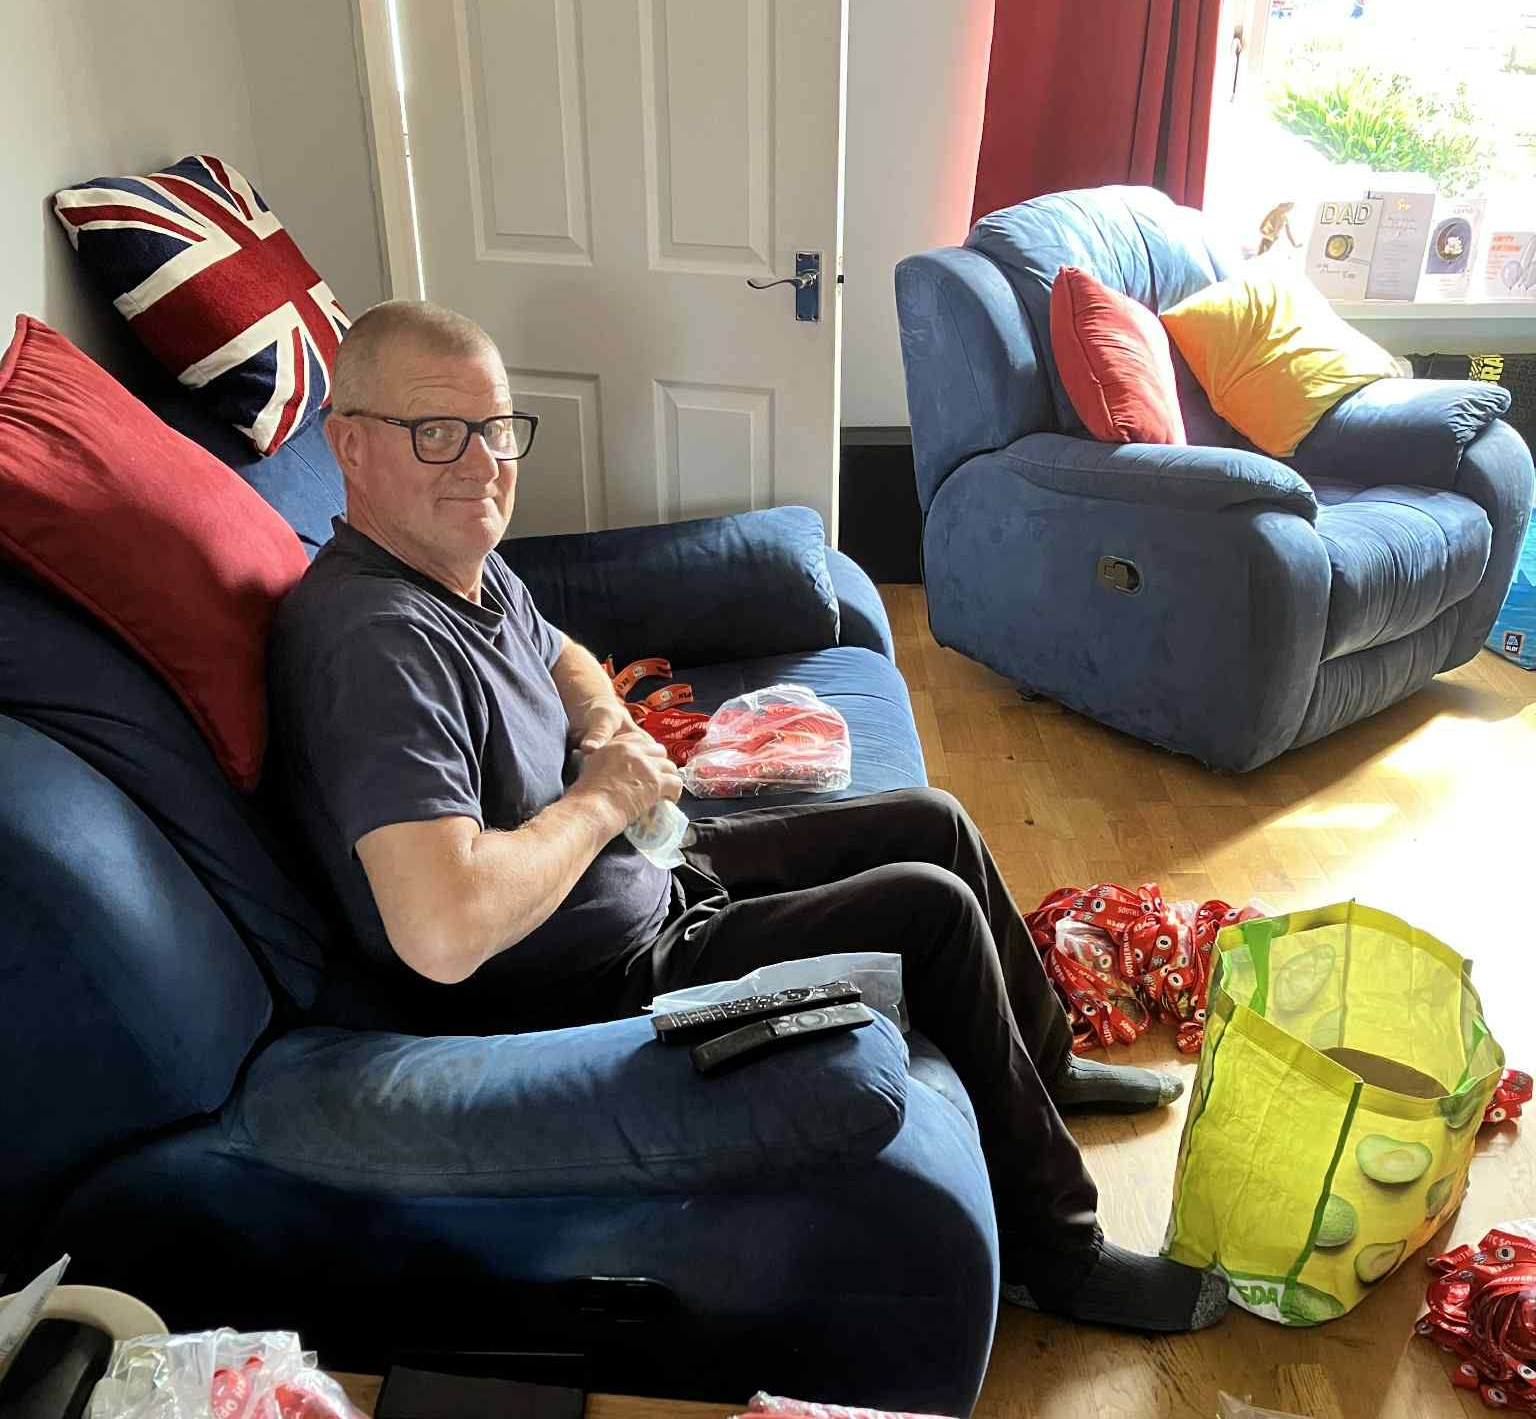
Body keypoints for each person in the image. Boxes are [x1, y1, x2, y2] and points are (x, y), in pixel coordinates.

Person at [268, 300, 1228, 1336]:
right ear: (349, 446)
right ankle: (1064, 1256)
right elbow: (442, 927)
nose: (482, 464)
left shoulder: (457, 560)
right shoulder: (374, 644)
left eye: (498, 429)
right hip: (598, 976)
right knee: (929, 911)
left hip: (642, 868)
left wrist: (606, 734)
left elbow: (563, 656)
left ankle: (1041, 1066)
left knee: (932, 821)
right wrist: (604, 799)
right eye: (435, 433)